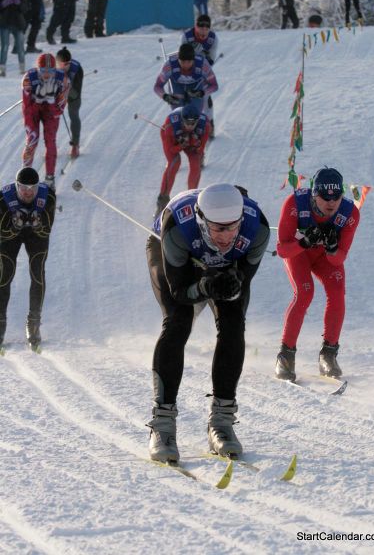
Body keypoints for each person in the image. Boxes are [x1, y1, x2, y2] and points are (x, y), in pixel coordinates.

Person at [146, 183, 270, 462]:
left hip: (227, 264)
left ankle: (222, 422)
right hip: (175, 252)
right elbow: (179, 292)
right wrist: (204, 288)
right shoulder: (178, 227)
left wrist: (230, 282)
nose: (226, 237)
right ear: (203, 220)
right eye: (218, 229)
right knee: (178, 322)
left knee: (233, 324)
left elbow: (243, 279)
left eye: (232, 227)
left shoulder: (257, 228)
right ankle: (162, 425)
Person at [275, 167, 360, 382]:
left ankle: (329, 355)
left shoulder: (350, 213)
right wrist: (304, 242)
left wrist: (331, 248)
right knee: (304, 294)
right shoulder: (294, 204)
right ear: (314, 194)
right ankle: (286, 355)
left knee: (337, 293)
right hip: (299, 254)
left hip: (324, 258)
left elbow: (339, 258)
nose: (331, 203)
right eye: (324, 198)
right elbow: (283, 250)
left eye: (336, 197)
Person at [0, 167, 56, 350]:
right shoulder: (4, 198)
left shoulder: (48, 196)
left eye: (32, 188)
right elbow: (1, 233)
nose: (28, 192)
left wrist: (37, 224)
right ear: (16, 186)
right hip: (11, 237)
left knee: (37, 273)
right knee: (4, 274)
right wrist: (14, 227)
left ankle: (33, 323)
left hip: (35, 237)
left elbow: (47, 230)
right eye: (23, 188)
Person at [21, 53, 70, 190]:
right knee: (32, 139)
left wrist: (50, 101)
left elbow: (60, 110)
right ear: (37, 69)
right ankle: (25, 173)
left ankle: (49, 178)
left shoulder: (63, 80)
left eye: (51, 71)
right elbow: (27, 108)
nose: (47, 74)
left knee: (50, 141)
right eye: (43, 71)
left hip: (51, 111)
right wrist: (38, 100)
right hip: (33, 111)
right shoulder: (28, 79)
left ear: (56, 70)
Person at [155, 104, 210, 216]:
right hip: (173, 140)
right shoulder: (170, 126)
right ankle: (162, 199)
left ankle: (191, 198)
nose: (190, 126)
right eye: (187, 123)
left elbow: (200, 149)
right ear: (182, 120)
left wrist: (195, 143)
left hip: (190, 140)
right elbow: (171, 150)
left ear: (197, 120)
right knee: (175, 162)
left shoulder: (206, 125)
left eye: (193, 123)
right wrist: (181, 145)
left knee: (196, 164)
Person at [181, 14, 219, 137]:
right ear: (195, 26)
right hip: (187, 69)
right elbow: (182, 58)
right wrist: (193, 52)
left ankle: (210, 123)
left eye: (207, 27)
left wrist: (202, 55)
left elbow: (212, 59)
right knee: (186, 97)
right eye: (200, 26)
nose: (203, 29)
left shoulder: (213, 39)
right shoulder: (187, 36)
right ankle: (186, 125)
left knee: (205, 96)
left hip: (204, 70)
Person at [154, 43, 218, 114]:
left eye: (189, 61)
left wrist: (202, 93)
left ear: (194, 59)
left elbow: (214, 85)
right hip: (177, 86)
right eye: (182, 61)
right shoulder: (169, 66)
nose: (186, 65)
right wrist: (165, 96)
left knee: (194, 114)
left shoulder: (203, 65)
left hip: (195, 87)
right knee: (178, 113)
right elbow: (157, 86)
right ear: (178, 59)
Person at [56, 46, 83, 158]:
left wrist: (66, 83)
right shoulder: (52, 67)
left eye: (67, 64)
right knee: (51, 117)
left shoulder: (76, 69)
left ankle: (75, 144)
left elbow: (75, 94)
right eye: (61, 64)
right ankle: (50, 145)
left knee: (73, 114)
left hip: (72, 94)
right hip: (57, 93)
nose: (64, 67)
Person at [0, 0, 26, 77]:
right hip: (4, 23)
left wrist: (19, 4)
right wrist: (3, 4)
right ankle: (2, 69)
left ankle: (22, 68)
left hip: (17, 23)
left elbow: (25, 8)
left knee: (20, 46)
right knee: (5, 46)